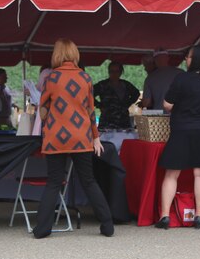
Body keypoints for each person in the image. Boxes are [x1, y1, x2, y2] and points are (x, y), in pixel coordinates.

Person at [34, 38, 114, 239]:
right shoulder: (85, 78)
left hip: (56, 138)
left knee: (53, 182)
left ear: (57, 54)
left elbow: (42, 109)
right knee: (89, 181)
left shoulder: (51, 78)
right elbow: (90, 111)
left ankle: (42, 229)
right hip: (81, 136)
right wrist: (95, 137)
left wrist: (49, 117)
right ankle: (107, 225)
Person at [155, 46, 200, 230]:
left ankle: (165, 216)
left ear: (196, 59)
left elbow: (167, 105)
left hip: (182, 129)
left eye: (189, 56)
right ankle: (199, 216)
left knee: (171, 174)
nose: (186, 59)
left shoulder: (182, 78)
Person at [93, 62, 140, 129]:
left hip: (123, 121)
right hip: (107, 122)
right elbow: (88, 94)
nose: (114, 74)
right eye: (111, 71)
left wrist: (127, 104)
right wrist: (99, 105)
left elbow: (136, 93)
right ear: (108, 72)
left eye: (117, 71)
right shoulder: (102, 85)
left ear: (121, 72)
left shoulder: (126, 85)